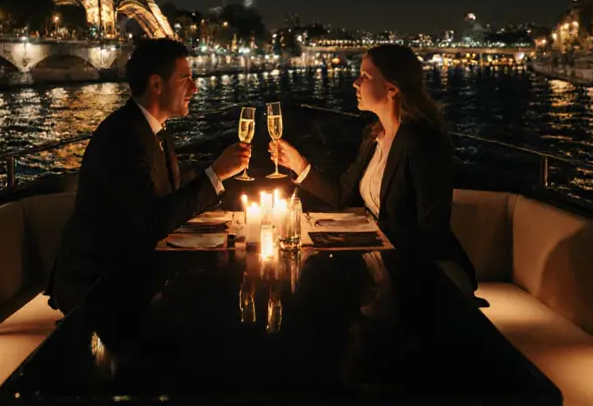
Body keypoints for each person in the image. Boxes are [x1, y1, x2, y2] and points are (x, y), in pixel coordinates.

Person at [47, 38, 250, 314]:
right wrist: (216, 174)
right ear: (156, 84)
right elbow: (153, 220)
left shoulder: (149, 128)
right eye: (186, 79)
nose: (195, 88)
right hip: (99, 284)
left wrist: (216, 172)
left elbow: (167, 187)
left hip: (129, 269)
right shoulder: (123, 137)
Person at [270, 44, 480, 297]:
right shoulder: (374, 137)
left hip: (419, 266)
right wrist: (299, 164)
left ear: (392, 88)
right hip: (379, 257)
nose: (355, 83)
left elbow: (431, 229)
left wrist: (370, 247)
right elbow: (340, 195)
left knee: (316, 282)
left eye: (365, 76)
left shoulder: (423, 142)